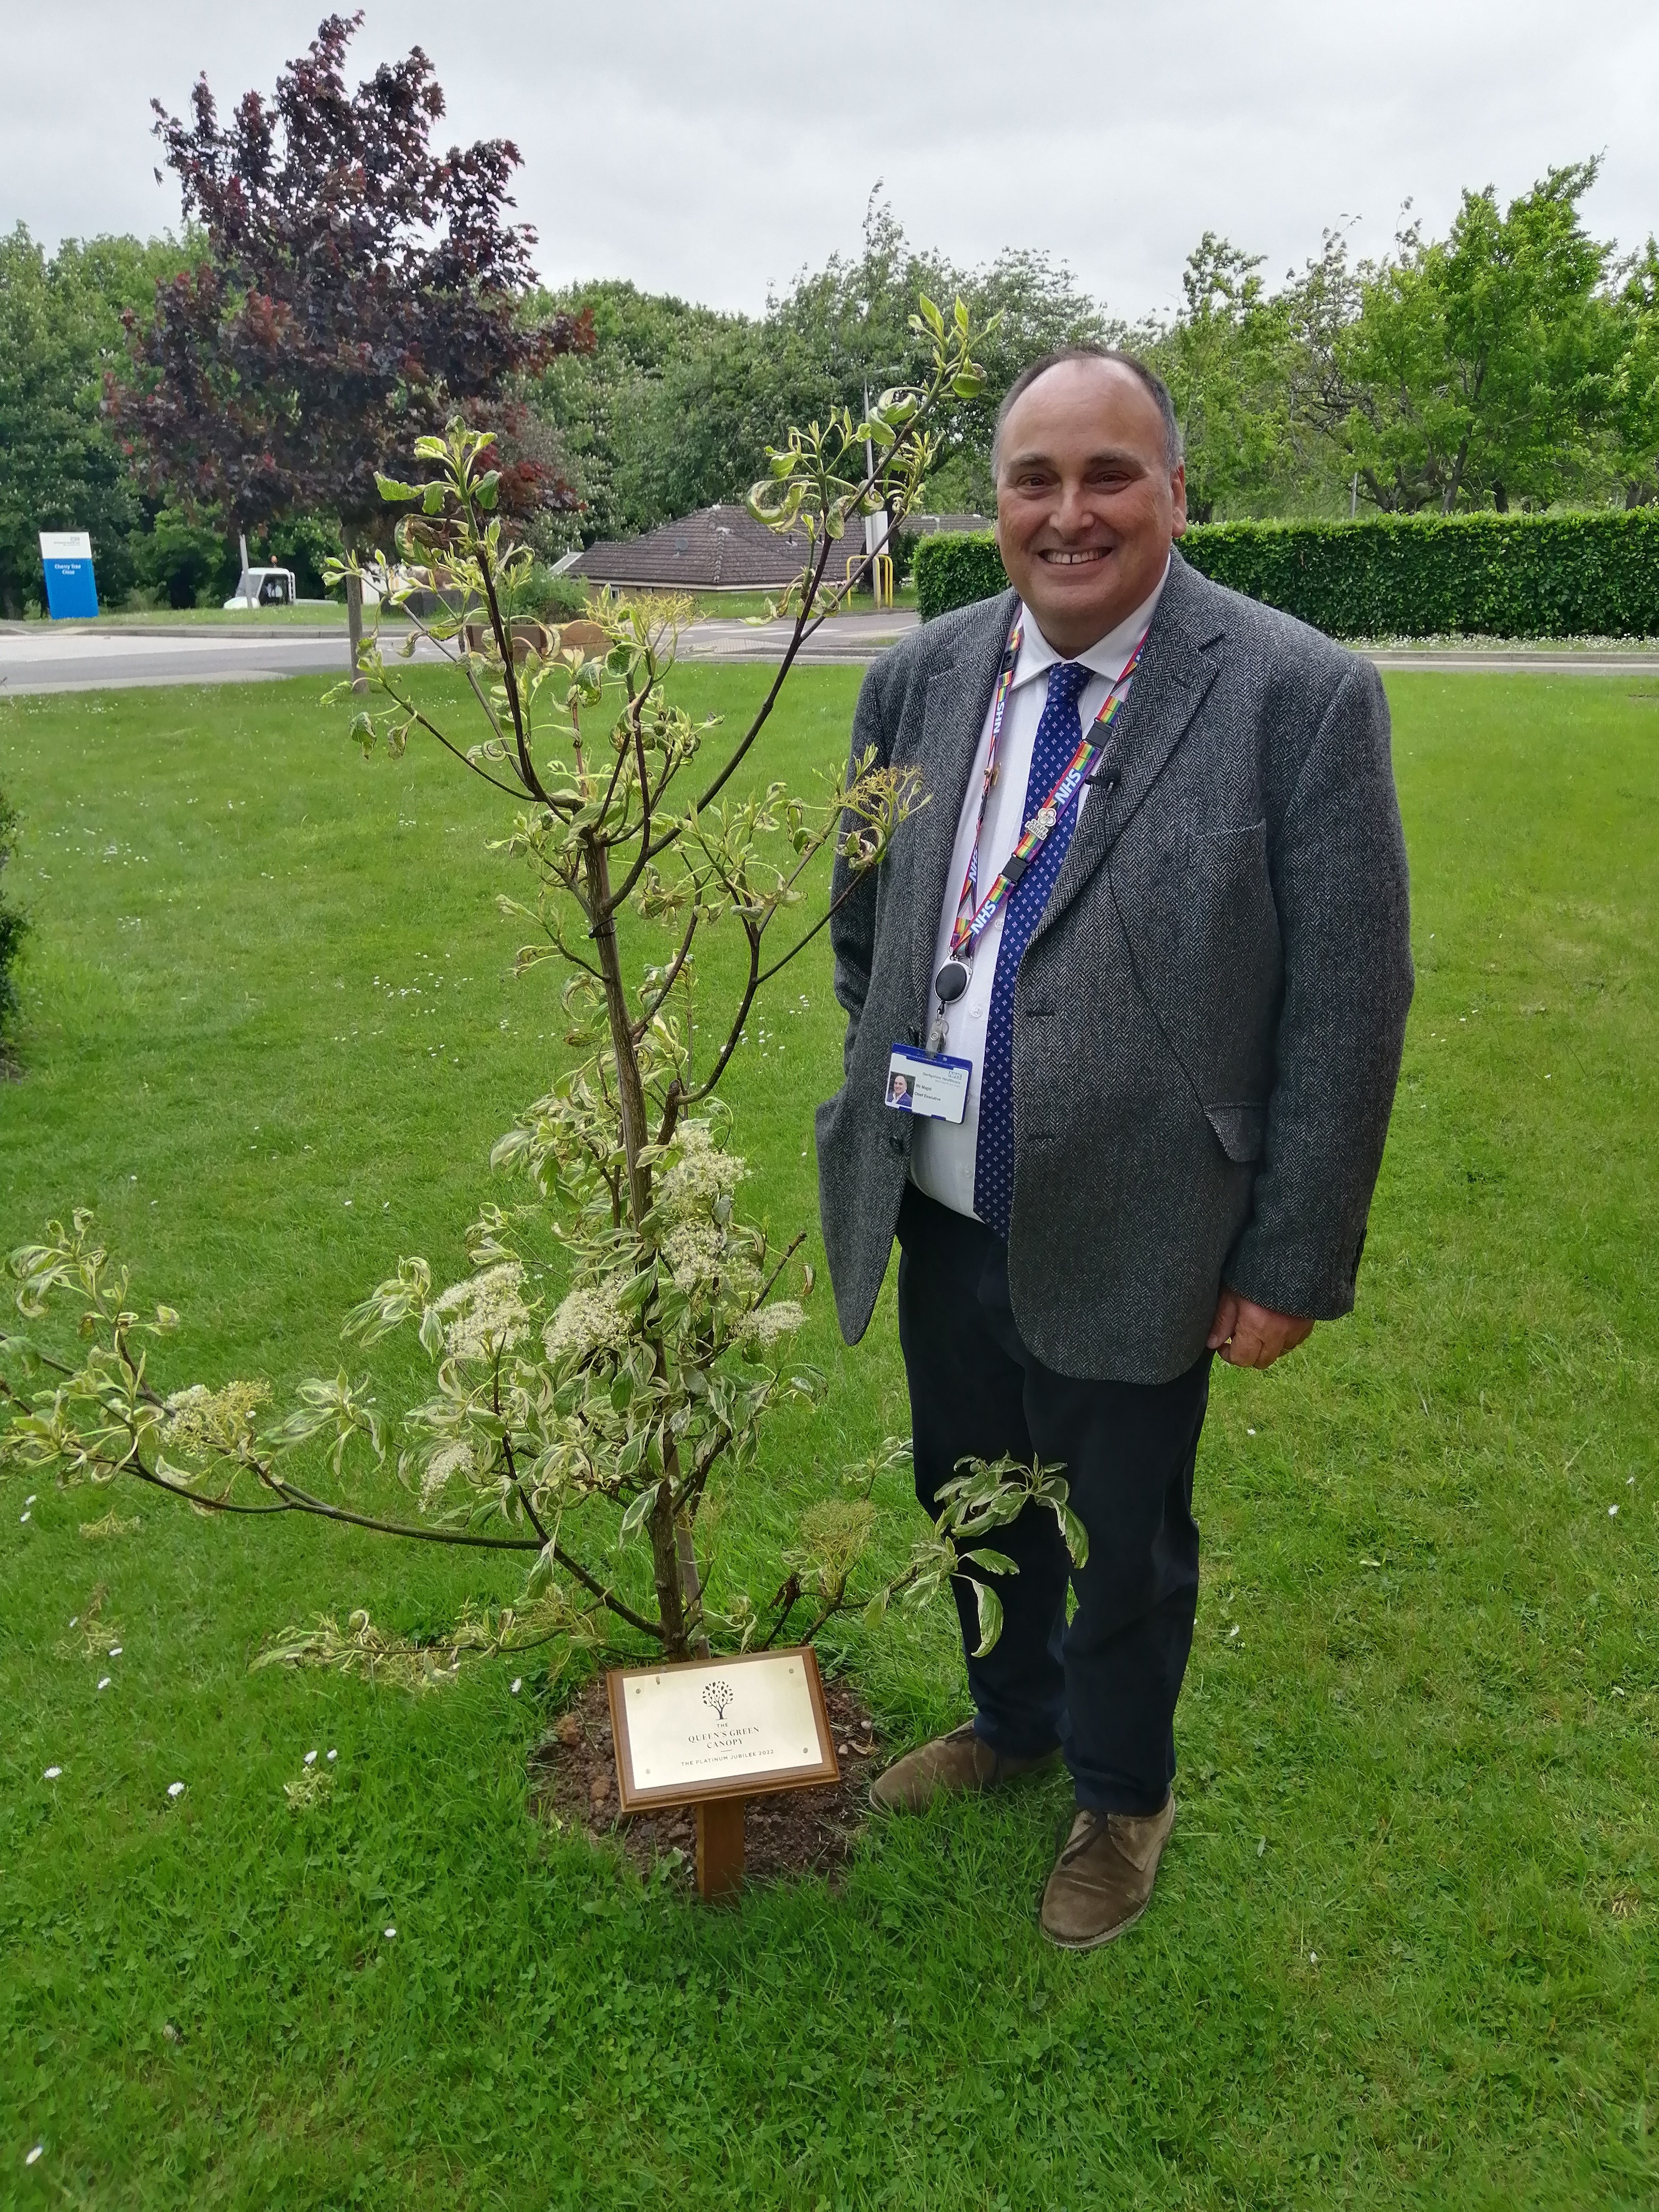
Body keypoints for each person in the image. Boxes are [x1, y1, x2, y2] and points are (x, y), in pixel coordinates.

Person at [814, 346, 1412, 1949]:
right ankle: (1012, 1725)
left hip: (1153, 1228)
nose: (1068, 514)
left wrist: (1291, 1257)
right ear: (996, 503)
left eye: (1107, 477)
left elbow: (1350, 1006)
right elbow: (866, 929)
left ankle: (1120, 1792)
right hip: (943, 1207)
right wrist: (892, 1083)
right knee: (969, 1494)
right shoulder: (920, 678)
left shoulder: (1298, 694)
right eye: (1035, 481)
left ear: (1173, 494)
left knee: (1126, 1541)